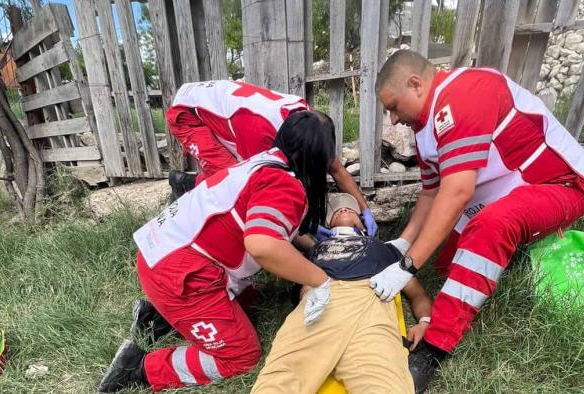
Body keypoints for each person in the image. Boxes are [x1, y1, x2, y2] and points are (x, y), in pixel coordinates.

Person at [367, 50, 584, 388]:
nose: (391, 119)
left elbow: (457, 193)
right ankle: (512, 256)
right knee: (449, 265)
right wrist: (403, 244)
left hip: (558, 184)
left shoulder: (467, 92)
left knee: (492, 225)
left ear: (415, 84)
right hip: (503, 194)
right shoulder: (423, 130)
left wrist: (407, 267)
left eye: (393, 107)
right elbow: (432, 195)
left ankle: (436, 346)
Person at [98, 111, 339, 392]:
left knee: (248, 304)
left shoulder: (263, 162)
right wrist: (320, 279)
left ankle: (159, 318)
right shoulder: (284, 184)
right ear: (320, 156)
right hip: (179, 274)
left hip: (162, 255)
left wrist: (314, 246)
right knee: (240, 356)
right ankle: (140, 368)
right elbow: (263, 245)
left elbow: (272, 224)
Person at [251, 193, 433, 394]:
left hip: (370, 301)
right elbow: (281, 239)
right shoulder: (315, 249)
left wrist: (424, 320)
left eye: (350, 209)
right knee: (280, 378)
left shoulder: (386, 249)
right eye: (337, 211)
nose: (344, 209)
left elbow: (417, 293)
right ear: (328, 226)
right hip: (318, 304)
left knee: (384, 383)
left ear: (363, 223)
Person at [166, 79, 378, 237]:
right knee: (228, 183)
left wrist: (365, 210)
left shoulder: (311, 124)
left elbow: (337, 169)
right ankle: (187, 190)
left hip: (226, 106)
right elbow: (255, 189)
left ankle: (184, 182)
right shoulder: (258, 135)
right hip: (187, 114)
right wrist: (302, 228)